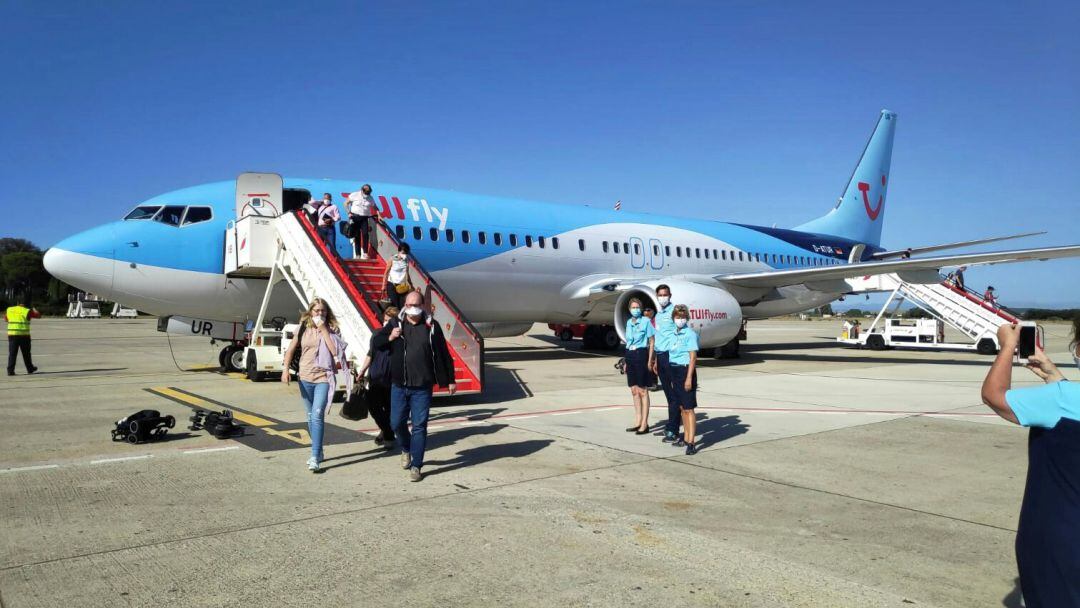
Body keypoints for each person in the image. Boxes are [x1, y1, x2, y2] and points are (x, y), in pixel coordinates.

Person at [980, 321, 1080, 607]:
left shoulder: (1061, 400)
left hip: (1062, 539)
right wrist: (1053, 376)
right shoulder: (1065, 397)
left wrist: (1008, 347)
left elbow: (994, 396)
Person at [372, 291, 456, 482]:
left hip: (422, 386)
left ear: (422, 305)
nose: (412, 308)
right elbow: (377, 343)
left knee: (419, 426)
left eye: (416, 304)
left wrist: (450, 379)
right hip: (399, 385)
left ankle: (417, 465)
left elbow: (443, 353)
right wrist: (390, 337)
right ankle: (406, 448)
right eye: (409, 304)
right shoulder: (395, 324)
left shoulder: (431, 326)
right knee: (396, 423)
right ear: (404, 305)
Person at [281, 298, 347, 473]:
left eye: (323, 311)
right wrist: (285, 369)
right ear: (311, 311)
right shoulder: (303, 327)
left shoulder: (333, 329)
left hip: (323, 377)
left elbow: (335, 351)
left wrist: (323, 328)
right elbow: (291, 349)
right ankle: (319, 450)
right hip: (304, 376)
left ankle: (314, 455)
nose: (320, 313)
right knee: (310, 416)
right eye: (316, 310)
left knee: (317, 415)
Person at [356, 306, 399, 448]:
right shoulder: (377, 334)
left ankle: (387, 434)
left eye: (389, 321)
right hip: (376, 375)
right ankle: (387, 431)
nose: (386, 323)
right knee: (373, 406)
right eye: (385, 320)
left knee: (389, 409)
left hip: (392, 378)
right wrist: (363, 369)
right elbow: (371, 353)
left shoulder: (400, 336)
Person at [648, 284, 680, 442]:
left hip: (671, 357)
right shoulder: (659, 315)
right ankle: (670, 426)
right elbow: (657, 337)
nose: (662, 297)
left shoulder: (675, 312)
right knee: (668, 395)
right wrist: (654, 359)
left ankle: (673, 430)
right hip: (660, 357)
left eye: (665, 295)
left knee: (674, 395)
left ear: (670, 295)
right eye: (660, 295)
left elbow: (680, 334)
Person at [668, 305, 700, 454]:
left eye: (682, 317)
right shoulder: (674, 334)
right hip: (674, 369)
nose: (679, 320)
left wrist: (688, 378)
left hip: (685, 369)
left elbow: (693, 357)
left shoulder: (690, 334)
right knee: (681, 407)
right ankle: (686, 437)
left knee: (689, 408)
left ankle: (692, 442)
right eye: (677, 317)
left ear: (686, 318)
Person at [623, 298, 654, 435]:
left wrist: (650, 360)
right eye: (632, 307)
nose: (635, 309)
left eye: (637, 307)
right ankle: (637, 421)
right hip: (630, 354)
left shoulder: (646, 321)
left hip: (641, 354)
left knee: (643, 390)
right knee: (634, 390)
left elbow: (652, 341)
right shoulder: (629, 322)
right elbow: (627, 342)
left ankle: (644, 424)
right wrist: (625, 361)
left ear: (640, 309)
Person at [6, 294, 40, 376]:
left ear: (17, 303)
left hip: (12, 335)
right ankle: (30, 368)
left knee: (12, 353)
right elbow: (38, 316)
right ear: (25, 304)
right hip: (24, 336)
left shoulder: (10, 309)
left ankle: (10, 370)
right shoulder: (27, 310)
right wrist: (34, 309)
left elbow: (6, 319)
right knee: (26, 354)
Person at [347, 184, 378, 260]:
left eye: (369, 192)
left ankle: (365, 253)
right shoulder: (355, 195)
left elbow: (375, 207)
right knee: (357, 235)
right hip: (355, 217)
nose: (367, 194)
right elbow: (345, 203)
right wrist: (349, 212)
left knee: (365, 234)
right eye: (366, 192)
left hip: (364, 217)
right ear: (362, 190)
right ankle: (358, 254)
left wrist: (379, 215)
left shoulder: (370, 198)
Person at [382, 242, 413, 309]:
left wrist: (411, 284)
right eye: (403, 253)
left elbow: (407, 273)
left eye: (406, 253)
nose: (404, 255)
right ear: (399, 251)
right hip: (392, 285)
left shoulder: (406, 260)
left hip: (402, 286)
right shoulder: (392, 259)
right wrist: (383, 285)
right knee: (394, 305)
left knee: (402, 306)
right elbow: (386, 272)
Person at [643, 307, 661, 392]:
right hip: (644, 345)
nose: (646, 312)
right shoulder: (643, 322)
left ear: (653, 312)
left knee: (652, 363)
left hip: (653, 345)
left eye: (648, 311)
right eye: (645, 311)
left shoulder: (655, 322)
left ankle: (654, 383)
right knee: (645, 364)